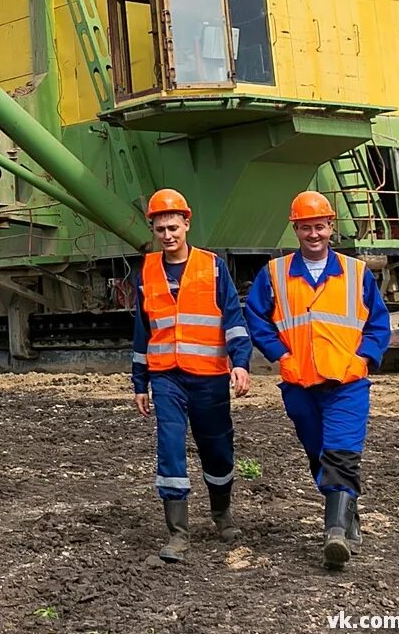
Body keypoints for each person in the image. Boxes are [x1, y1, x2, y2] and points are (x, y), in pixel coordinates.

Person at [244, 190, 391, 570]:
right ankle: (347, 512)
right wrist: (281, 356)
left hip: (347, 382)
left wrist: (364, 358)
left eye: (320, 226)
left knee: (341, 452)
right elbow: (257, 319)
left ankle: (335, 533)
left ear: (331, 227)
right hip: (299, 384)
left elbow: (378, 323)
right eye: (306, 227)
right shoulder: (273, 274)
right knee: (319, 454)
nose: (314, 234)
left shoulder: (356, 272)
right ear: (296, 229)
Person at [131, 186, 252, 562]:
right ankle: (178, 535)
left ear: (187, 223)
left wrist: (240, 362)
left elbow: (232, 318)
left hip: (209, 376)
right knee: (169, 447)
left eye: (173, 227)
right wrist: (140, 382)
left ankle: (221, 513)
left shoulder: (212, 267)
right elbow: (143, 330)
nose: (167, 235)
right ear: (153, 230)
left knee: (217, 449)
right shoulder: (147, 272)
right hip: (167, 376)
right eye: (160, 229)